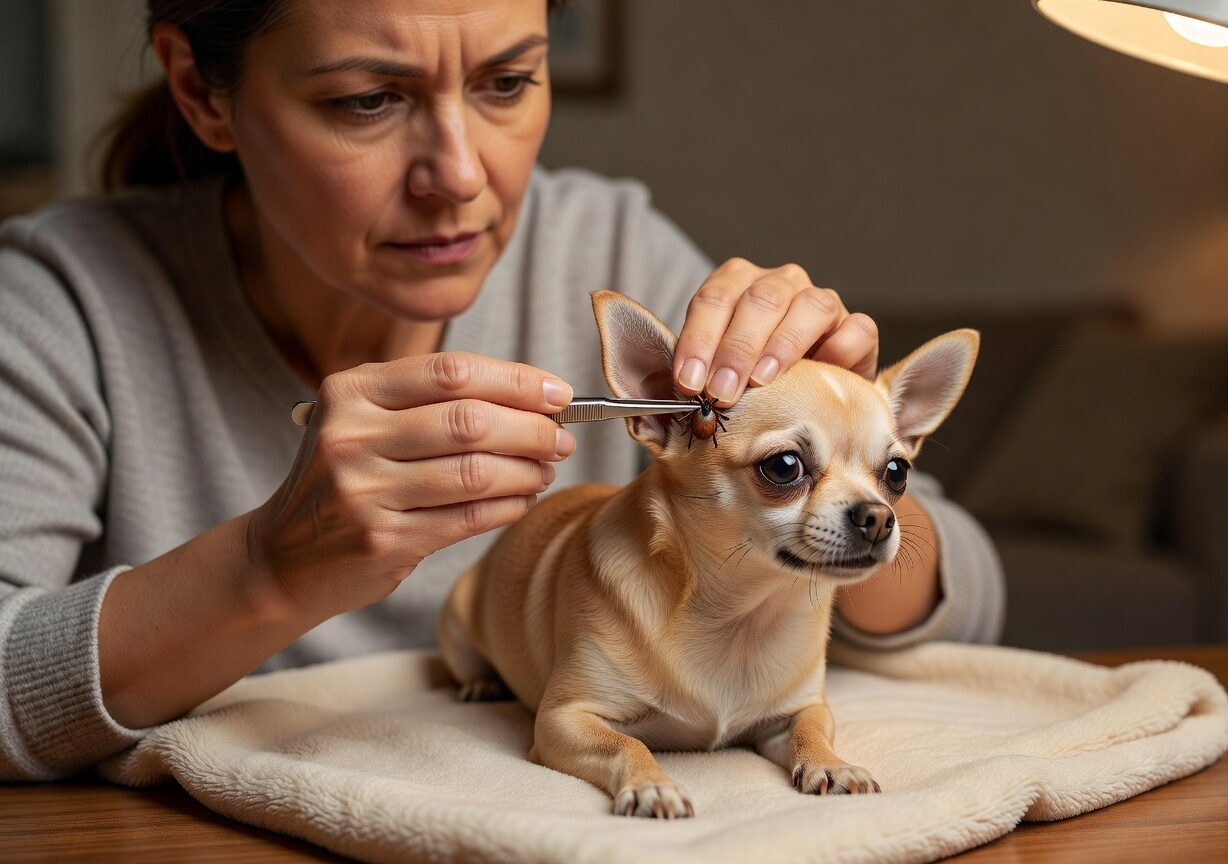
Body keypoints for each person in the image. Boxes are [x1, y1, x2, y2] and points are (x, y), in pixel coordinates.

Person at [0, 0, 1004, 782]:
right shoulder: (64, 304)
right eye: (367, 99)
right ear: (202, 92)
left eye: (508, 80)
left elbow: (972, 599)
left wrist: (851, 441)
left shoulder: (610, 251)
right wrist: (268, 568)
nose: (460, 174)